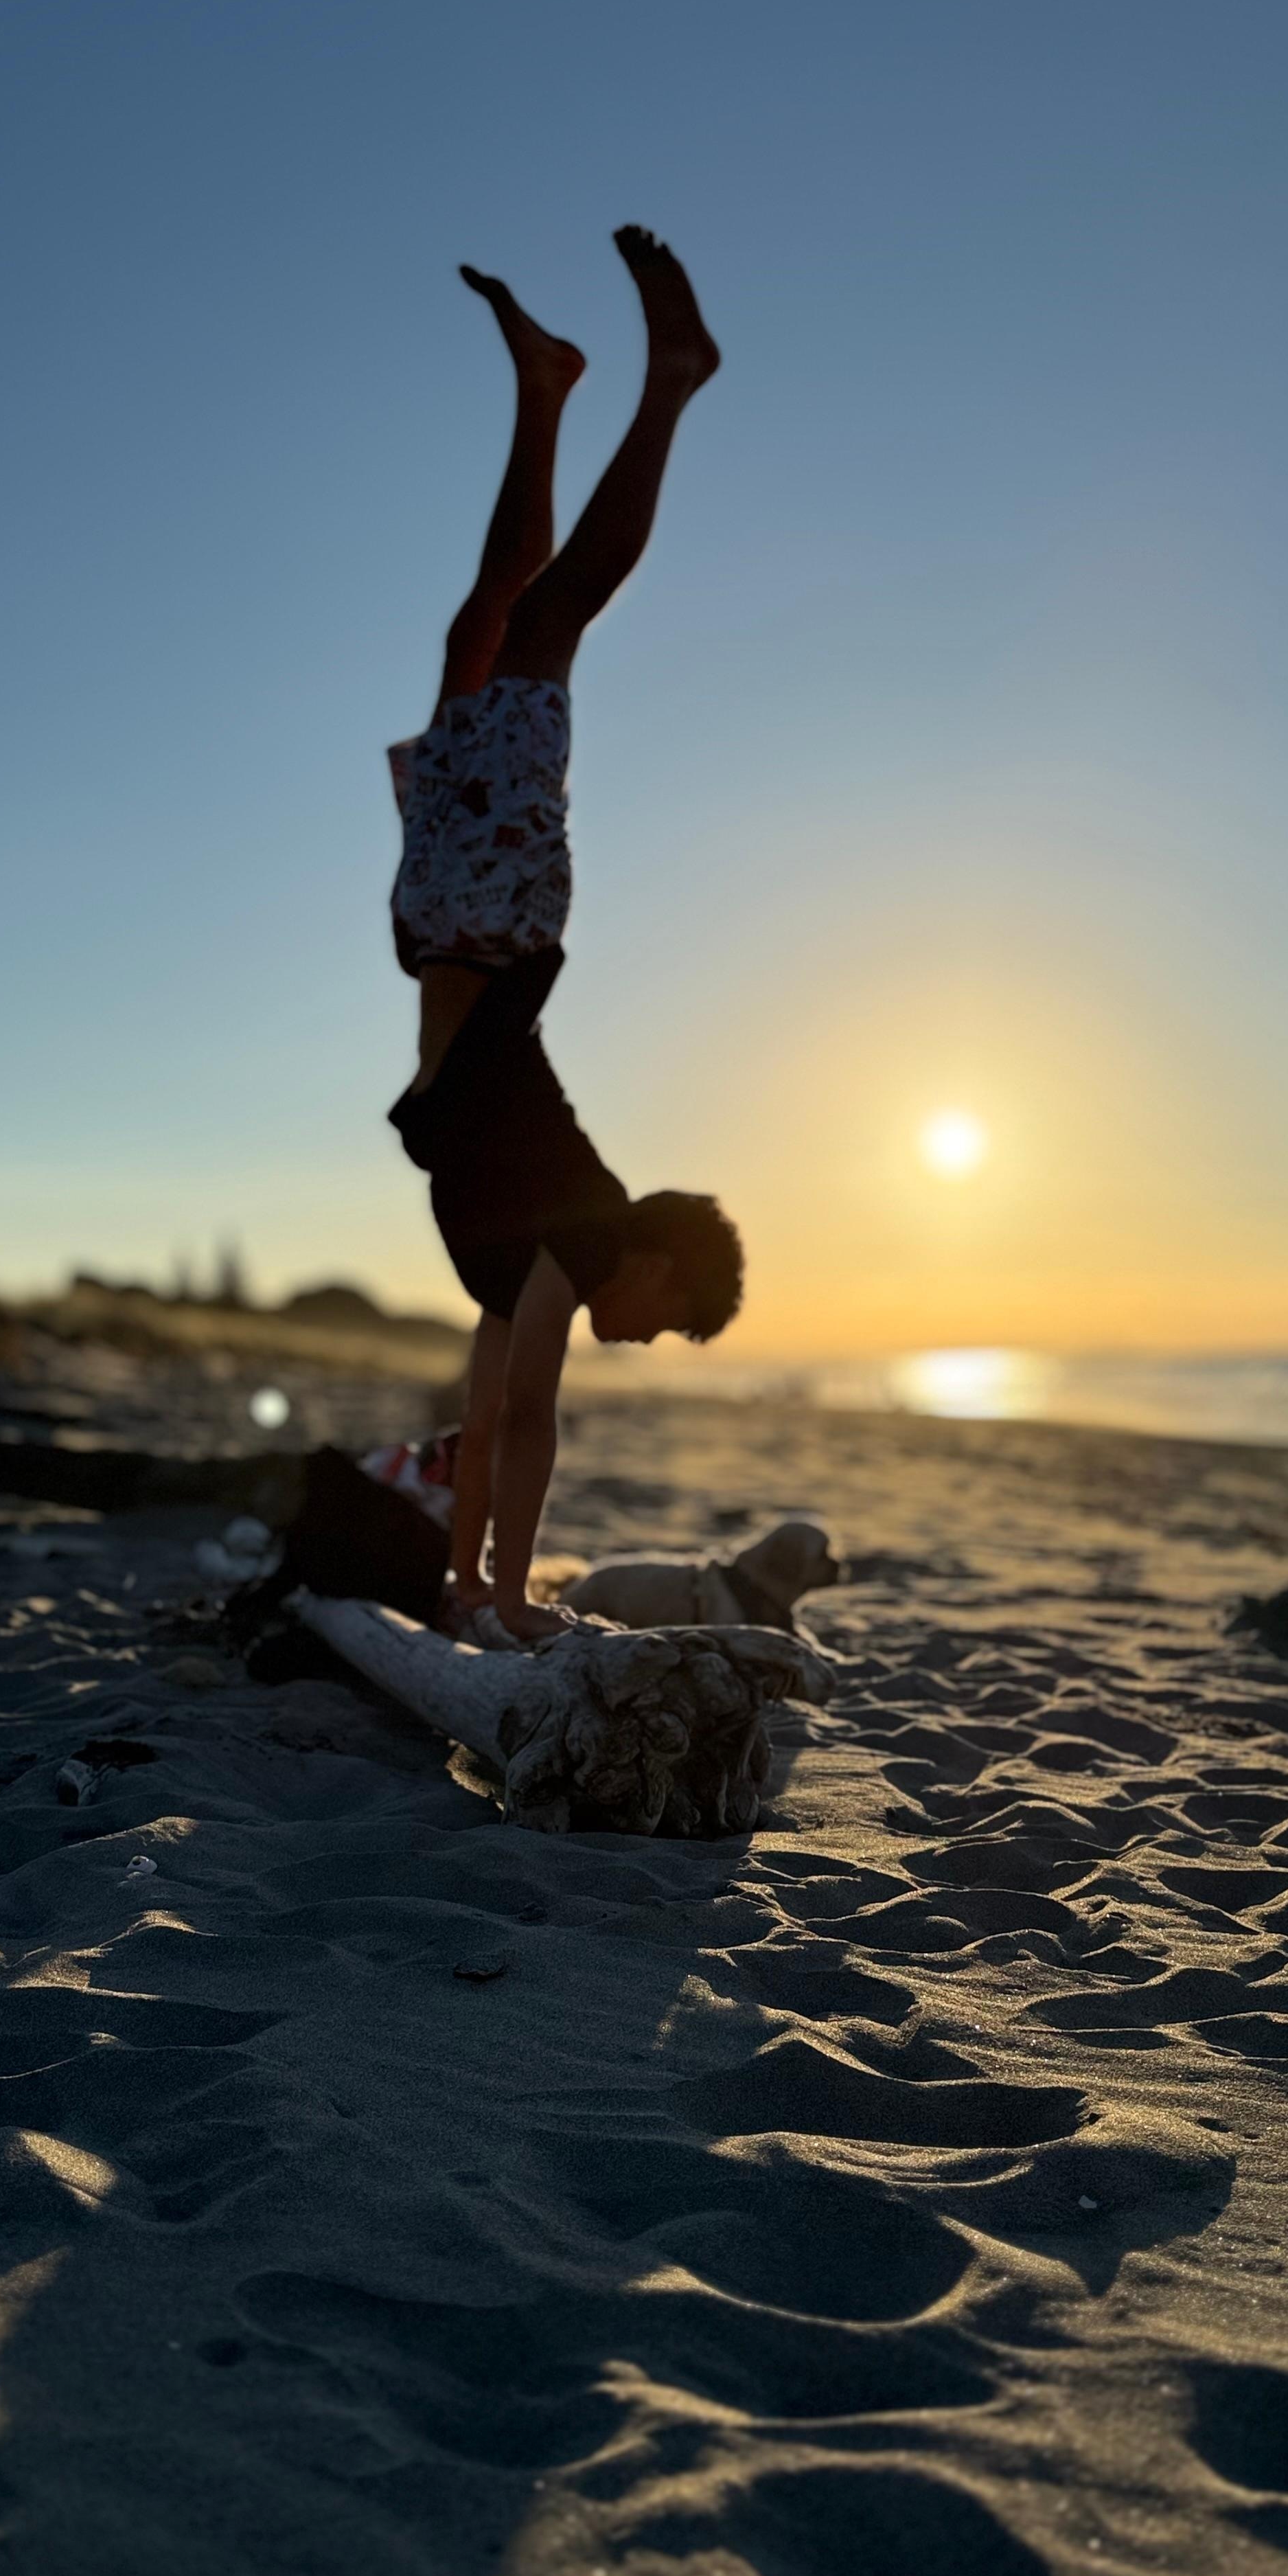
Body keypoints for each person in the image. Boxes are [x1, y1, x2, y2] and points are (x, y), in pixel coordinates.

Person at [387, 226, 743, 1644]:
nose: (643, 1338)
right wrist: (521, 1600)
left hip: (445, 921)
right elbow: (531, 1418)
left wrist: (465, 1584)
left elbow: (482, 1405)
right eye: (669, 1321)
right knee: (548, 624)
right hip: (495, 912)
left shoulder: (509, 1253)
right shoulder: (584, 1227)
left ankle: (546, 389)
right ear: (657, 1265)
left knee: (484, 627)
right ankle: (672, 387)